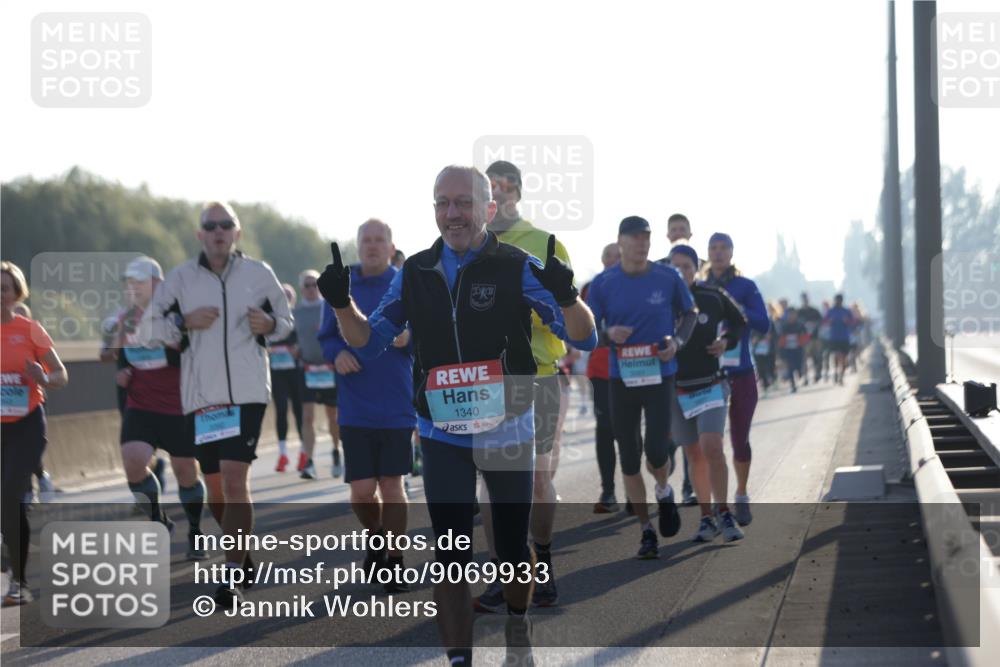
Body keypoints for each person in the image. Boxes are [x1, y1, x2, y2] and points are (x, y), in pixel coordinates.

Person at [319, 165, 596, 666]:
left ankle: (517, 623)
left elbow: (585, 336)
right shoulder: (415, 272)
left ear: (488, 209)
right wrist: (342, 306)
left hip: (507, 425)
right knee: (449, 556)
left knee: (511, 551)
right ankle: (459, 659)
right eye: (442, 202)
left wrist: (567, 294)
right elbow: (369, 339)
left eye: (464, 202)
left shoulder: (516, 264)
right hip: (441, 429)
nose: (453, 213)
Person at [145, 201, 293, 607]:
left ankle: (230, 577)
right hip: (202, 398)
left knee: (233, 477)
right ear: (200, 235)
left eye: (225, 225)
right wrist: (183, 322)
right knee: (215, 489)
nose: (218, 231)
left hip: (247, 392)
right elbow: (150, 326)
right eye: (210, 226)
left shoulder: (259, 274)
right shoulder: (181, 279)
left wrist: (271, 326)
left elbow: (285, 320)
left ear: (237, 232)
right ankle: (242, 557)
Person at [476, 160, 575, 609]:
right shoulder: (471, 246)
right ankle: (503, 574)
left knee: (537, 479)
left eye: (506, 187)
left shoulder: (546, 244)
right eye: (490, 189)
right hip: (487, 381)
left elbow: (571, 314)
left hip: (538, 376)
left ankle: (544, 560)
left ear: (516, 192)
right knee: (492, 485)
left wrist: (536, 308)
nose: (499, 195)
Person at [586, 216, 698, 559]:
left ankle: (664, 490)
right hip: (621, 379)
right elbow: (587, 330)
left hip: (660, 374)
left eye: (646, 238)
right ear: (620, 241)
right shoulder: (604, 283)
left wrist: (676, 342)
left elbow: (689, 314)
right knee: (630, 457)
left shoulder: (668, 277)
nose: (642, 243)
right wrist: (607, 336)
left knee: (656, 450)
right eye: (635, 238)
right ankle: (646, 531)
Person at [317, 219, 416, 593]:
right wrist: (338, 353)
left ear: (391, 246)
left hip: (395, 401)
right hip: (356, 404)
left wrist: (411, 337)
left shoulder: (405, 282)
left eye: (380, 240)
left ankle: (395, 560)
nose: (373, 246)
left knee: (392, 484)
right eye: (366, 240)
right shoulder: (342, 285)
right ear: (358, 246)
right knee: (361, 491)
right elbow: (325, 338)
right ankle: (377, 537)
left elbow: (424, 334)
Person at [113, 256, 208, 559]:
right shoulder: (125, 319)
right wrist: (123, 371)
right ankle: (158, 518)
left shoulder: (177, 313)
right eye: (130, 282)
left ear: (158, 283)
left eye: (139, 281)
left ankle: (195, 529)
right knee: (132, 461)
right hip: (141, 405)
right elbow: (122, 357)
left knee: (186, 472)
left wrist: (174, 343)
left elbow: (196, 351)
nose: (133, 287)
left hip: (179, 406)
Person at [667, 245, 746, 542]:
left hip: (711, 383)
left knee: (712, 445)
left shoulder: (712, 296)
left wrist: (726, 341)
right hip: (676, 388)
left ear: (696, 268)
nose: (681, 272)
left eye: (687, 266)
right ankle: (706, 517)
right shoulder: (662, 300)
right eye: (675, 267)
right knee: (694, 454)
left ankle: (725, 512)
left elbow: (740, 322)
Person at [1, 261, 69, 606]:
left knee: (11, 496)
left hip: (27, 422)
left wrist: (41, 377)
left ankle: (19, 581)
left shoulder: (30, 330)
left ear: (17, 294)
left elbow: (60, 375)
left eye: (5, 289)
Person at [702, 233, 769, 527]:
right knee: (710, 444)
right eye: (713, 249)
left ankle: (741, 494)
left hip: (741, 372)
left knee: (739, 440)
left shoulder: (745, 286)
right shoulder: (700, 287)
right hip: (709, 375)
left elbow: (763, 323)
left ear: (731, 252)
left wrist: (733, 307)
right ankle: (720, 504)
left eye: (723, 249)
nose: (717, 254)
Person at [656, 212, 700, 506]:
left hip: (695, 357)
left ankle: (689, 485)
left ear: (691, 233)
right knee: (668, 427)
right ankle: (666, 465)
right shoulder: (658, 268)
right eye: (674, 229)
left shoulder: (699, 268)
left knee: (691, 425)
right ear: (667, 234)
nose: (678, 232)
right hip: (663, 359)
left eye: (683, 229)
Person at [583, 242, 621, 513]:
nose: (614, 261)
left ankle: (635, 489)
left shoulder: (638, 284)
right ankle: (608, 490)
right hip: (600, 371)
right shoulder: (591, 287)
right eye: (609, 256)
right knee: (605, 428)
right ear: (602, 259)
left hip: (634, 369)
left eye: (618, 256)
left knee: (629, 432)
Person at [296, 269, 342, 479]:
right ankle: (310, 461)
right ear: (301, 288)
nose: (312, 289)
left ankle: (335, 451)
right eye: (307, 285)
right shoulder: (295, 312)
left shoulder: (328, 307)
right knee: (307, 416)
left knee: (333, 416)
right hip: (307, 369)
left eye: (315, 284)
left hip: (328, 368)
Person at [270, 283, 308, 476]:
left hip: (295, 372)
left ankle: (304, 452)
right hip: (277, 372)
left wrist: (298, 349)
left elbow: (306, 341)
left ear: (293, 298)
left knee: (299, 412)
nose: (284, 298)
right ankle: (283, 454)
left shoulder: (298, 318)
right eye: (281, 295)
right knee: (281, 411)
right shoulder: (272, 319)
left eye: (288, 295)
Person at [823, 294, 855, 385]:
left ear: (842, 301)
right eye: (837, 300)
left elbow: (853, 321)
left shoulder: (846, 311)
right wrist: (829, 321)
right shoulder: (831, 311)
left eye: (839, 300)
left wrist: (847, 321)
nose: (838, 302)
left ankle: (841, 375)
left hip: (844, 337)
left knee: (844, 358)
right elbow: (824, 321)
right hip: (834, 337)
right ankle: (836, 372)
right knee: (836, 356)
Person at [777, 307, 809, 393]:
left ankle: (800, 373)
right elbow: (780, 339)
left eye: (793, 314)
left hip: (798, 349)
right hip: (788, 350)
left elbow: (806, 336)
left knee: (798, 366)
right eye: (790, 314)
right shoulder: (784, 326)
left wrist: (802, 341)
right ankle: (793, 385)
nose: (791, 316)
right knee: (790, 368)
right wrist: (781, 352)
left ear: (796, 315)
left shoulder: (800, 324)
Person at [753, 304, 779, 395]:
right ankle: (766, 387)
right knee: (761, 369)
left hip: (769, 349)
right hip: (757, 350)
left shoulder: (770, 322)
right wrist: (755, 340)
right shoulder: (752, 322)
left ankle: (775, 380)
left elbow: (775, 335)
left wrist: (770, 337)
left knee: (770, 366)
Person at [798, 293, 823, 384]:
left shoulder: (815, 311)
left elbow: (821, 321)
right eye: (803, 299)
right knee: (804, 358)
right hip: (805, 339)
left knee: (817, 357)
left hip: (815, 337)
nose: (805, 301)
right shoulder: (799, 312)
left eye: (806, 299)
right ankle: (805, 378)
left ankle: (817, 374)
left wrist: (814, 324)